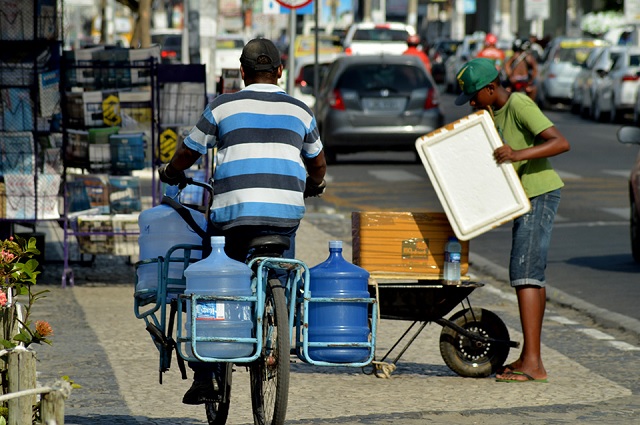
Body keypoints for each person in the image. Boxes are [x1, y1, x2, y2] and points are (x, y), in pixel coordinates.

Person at [158, 37, 327, 404]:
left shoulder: (222, 106)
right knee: (282, 262)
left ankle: (206, 374)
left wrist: (171, 171)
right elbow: (317, 163)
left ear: (242, 72)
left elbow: (189, 149)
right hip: (283, 217)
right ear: (280, 72)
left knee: (212, 275)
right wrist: (316, 184)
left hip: (232, 217)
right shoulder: (301, 111)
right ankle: (280, 328)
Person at [454, 58, 570, 383]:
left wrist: (517, 154)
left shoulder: (519, 104)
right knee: (524, 272)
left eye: (475, 95)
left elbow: (560, 142)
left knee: (526, 272)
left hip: (540, 194)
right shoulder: (490, 112)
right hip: (523, 199)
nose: (472, 102)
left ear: (492, 88)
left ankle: (534, 364)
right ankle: (529, 358)